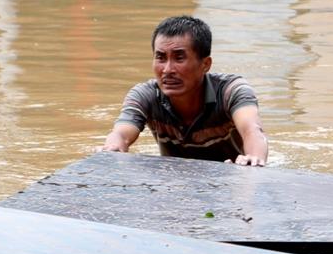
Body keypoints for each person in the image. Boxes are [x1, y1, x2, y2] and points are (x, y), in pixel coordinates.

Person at [100, 15, 268, 166]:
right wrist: (112, 150)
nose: (167, 69)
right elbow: (121, 134)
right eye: (160, 57)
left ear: (205, 64)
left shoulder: (231, 90)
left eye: (179, 58)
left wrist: (253, 159)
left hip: (230, 176)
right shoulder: (145, 95)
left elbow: (252, 129)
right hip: (174, 181)